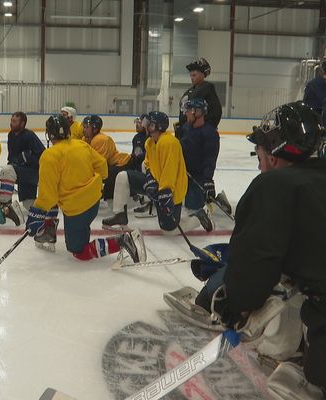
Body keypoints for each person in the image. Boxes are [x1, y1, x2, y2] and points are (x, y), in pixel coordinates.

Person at [165, 101, 326, 400]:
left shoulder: (274, 185)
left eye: (260, 150)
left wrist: (236, 306)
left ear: (275, 154)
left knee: (310, 377)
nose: (258, 159)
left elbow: (255, 263)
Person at [25, 114, 146, 263]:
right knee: (78, 225)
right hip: (94, 201)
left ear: (49, 134)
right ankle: (52, 231)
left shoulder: (49, 156)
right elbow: (102, 164)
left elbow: (47, 196)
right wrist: (96, 183)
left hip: (77, 209)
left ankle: (123, 241)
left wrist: (36, 215)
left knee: (79, 252)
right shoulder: (80, 144)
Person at [102, 111, 188, 233]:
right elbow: (147, 163)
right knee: (123, 176)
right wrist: (150, 179)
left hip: (171, 190)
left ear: (157, 126)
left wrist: (165, 192)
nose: (145, 125)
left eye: (148, 123)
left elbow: (170, 171)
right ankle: (120, 215)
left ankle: (199, 217)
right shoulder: (150, 142)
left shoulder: (169, 142)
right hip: (158, 184)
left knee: (169, 229)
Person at [178, 98, 218, 232]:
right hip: (184, 175)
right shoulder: (185, 128)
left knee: (192, 209)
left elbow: (209, 158)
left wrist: (207, 179)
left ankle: (214, 204)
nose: (186, 114)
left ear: (198, 112)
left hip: (198, 178)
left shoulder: (210, 133)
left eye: (189, 111)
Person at [82, 114, 134, 206]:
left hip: (122, 164)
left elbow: (98, 163)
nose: (84, 129)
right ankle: (110, 193)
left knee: (105, 175)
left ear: (95, 128)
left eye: (87, 127)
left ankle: (131, 190)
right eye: (84, 127)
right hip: (113, 164)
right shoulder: (87, 139)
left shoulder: (100, 139)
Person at [0, 111, 45, 210]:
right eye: (11, 120)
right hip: (21, 172)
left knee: (7, 170)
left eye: (14, 121)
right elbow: (12, 157)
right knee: (29, 205)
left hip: (31, 173)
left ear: (22, 123)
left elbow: (42, 155)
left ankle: (4, 205)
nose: (11, 123)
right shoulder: (11, 135)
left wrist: (25, 158)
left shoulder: (29, 135)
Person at [176, 58, 222, 138]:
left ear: (202, 75)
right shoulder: (191, 90)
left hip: (196, 134)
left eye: (194, 75)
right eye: (190, 75)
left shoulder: (207, 88)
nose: (192, 78)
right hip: (186, 132)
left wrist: (203, 129)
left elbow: (216, 112)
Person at [303, 60, 326, 125]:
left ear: (321, 71)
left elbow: (305, 100)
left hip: (312, 117)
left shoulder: (313, 83)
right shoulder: (315, 83)